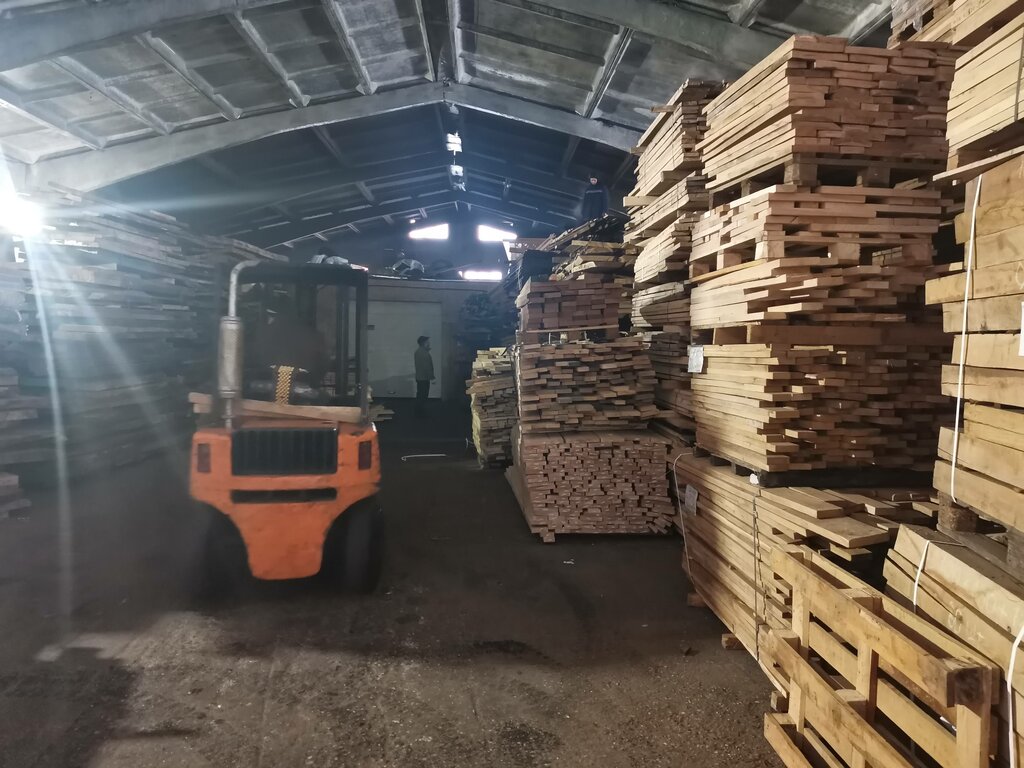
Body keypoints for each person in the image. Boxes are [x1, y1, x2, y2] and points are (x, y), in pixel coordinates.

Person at [413, 335, 434, 416]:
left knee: (420, 394)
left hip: (420, 377)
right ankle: (420, 412)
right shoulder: (424, 353)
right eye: (427, 342)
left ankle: (418, 411)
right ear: (423, 343)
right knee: (423, 395)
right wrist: (432, 377)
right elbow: (427, 367)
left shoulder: (418, 352)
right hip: (424, 378)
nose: (429, 343)